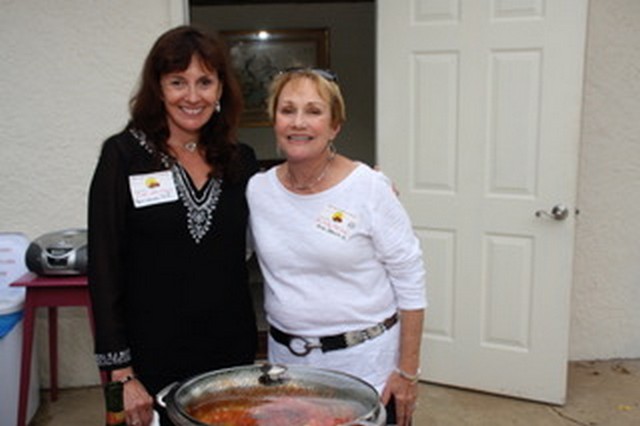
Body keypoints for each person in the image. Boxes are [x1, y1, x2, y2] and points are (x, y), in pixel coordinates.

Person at [88, 26, 258, 426]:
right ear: (158, 88)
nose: (192, 96)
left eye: (205, 82)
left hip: (229, 355)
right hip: (149, 361)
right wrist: (121, 373)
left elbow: (292, 202)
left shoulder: (241, 160)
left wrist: (357, 185)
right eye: (178, 82)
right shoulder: (123, 156)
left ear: (220, 89)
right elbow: (104, 266)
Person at [247, 68, 427, 426]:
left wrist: (408, 372)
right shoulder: (258, 190)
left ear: (335, 126)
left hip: (366, 368)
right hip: (288, 369)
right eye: (287, 110)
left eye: (313, 111)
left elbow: (411, 280)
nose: (298, 122)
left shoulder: (369, 188)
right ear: (274, 121)